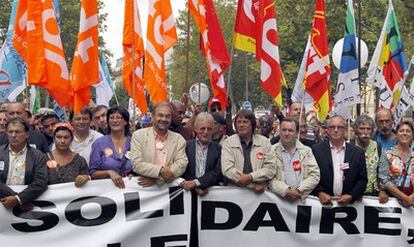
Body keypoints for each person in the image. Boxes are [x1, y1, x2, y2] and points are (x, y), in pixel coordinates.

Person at [312, 115, 367, 205]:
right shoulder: (316, 150)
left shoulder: (358, 152)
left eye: (340, 127)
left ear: (345, 130)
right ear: (327, 130)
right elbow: (311, 175)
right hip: (322, 205)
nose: (336, 130)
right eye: (332, 127)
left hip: (349, 206)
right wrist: (319, 192)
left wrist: (352, 196)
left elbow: (362, 179)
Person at [131, 102, 188, 186]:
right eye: (160, 115)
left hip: (168, 190)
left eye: (168, 116)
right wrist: (160, 170)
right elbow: (136, 164)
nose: (164, 119)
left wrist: (158, 180)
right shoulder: (138, 136)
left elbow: (182, 164)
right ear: (152, 116)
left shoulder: (179, 139)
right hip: (144, 189)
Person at [221, 109, 276, 193]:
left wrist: (251, 176)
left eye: (245, 122)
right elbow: (227, 169)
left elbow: (270, 168)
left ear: (252, 124)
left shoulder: (265, 142)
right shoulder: (228, 143)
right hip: (234, 193)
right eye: (238, 122)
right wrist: (252, 186)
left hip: (260, 193)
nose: (241, 125)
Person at [0, 118, 48, 210]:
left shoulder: (38, 156)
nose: (13, 135)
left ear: (27, 134)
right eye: (10, 132)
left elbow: (40, 182)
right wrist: (16, 198)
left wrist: (18, 199)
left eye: (17, 132)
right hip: (3, 204)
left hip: (29, 205)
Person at [269, 117, 320, 201]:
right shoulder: (270, 151)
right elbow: (269, 177)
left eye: (290, 130)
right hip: (278, 202)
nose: (287, 133)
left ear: (296, 133)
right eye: (284, 130)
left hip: (300, 200)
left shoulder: (306, 151)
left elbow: (314, 175)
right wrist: (285, 190)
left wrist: (299, 190)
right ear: (279, 132)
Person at [89, 107, 132, 189]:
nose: (115, 121)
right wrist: (109, 172)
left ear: (126, 121)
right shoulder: (99, 143)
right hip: (107, 193)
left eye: (119, 118)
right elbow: (92, 173)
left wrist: (133, 175)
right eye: (111, 118)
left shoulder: (134, 142)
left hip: (129, 192)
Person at [181, 112, 222, 196]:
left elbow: (217, 172)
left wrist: (198, 183)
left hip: (210, 195)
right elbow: (183, 170)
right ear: (195, 129)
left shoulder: (218, 148)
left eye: (209, 129)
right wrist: (194, 185)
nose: (206, 132)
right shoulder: (186, 146)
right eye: (202, 128)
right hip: (187, 195)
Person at [378, 121, 414, 207]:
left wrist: (411, 198)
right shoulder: (387, 154)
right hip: (392, 204)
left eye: (408, 131)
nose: (405, 133)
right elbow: (384, 179)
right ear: (396, 134)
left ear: (412, 136)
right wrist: (405, 198)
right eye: (401, 131)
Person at [352, 115, 388, 201]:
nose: (365, 132)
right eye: (361, 128)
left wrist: (382, 190)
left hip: (374, 194)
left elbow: (383, 171)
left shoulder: (378, 146)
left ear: (372, 131)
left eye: (368, 129)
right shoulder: (350, 146)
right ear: (356, 130)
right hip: (354, 194)